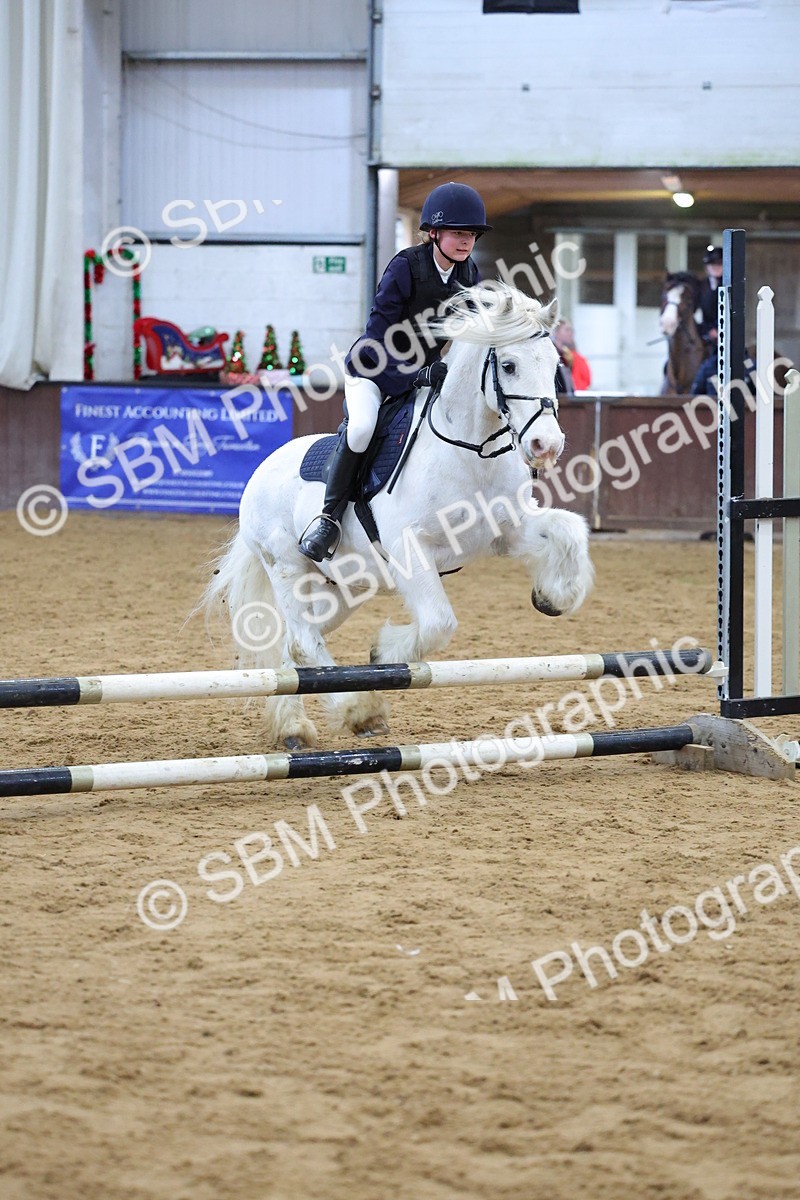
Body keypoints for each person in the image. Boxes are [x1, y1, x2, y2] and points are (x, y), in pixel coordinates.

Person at [298, 182, 490, 561]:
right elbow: (378, 333)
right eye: (457, 233)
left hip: (423, 376)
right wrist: (416, 374)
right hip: (374, 371)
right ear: (433, 233)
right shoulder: (406, 265)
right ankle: (328, 519)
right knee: (363, 429)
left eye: (471, 234)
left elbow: (474, 329)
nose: (466, 241)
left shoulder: (469, 273)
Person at [553, 319, 591, 392]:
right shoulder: (552, 355)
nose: (570, 333)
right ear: (556, 332)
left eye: (571, 330)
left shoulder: (569, 357)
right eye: (567, 330)